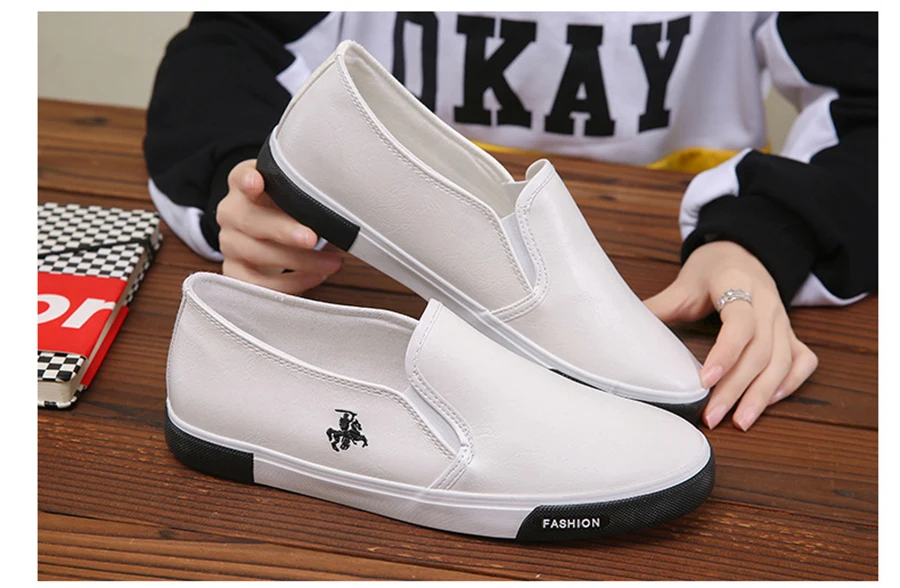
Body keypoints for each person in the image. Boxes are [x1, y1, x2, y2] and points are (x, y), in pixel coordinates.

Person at [143, 12, 877, 431]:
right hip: (402, 275)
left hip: (645, 252)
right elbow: (224, 51)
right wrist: (249, 185)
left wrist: (764, 235)